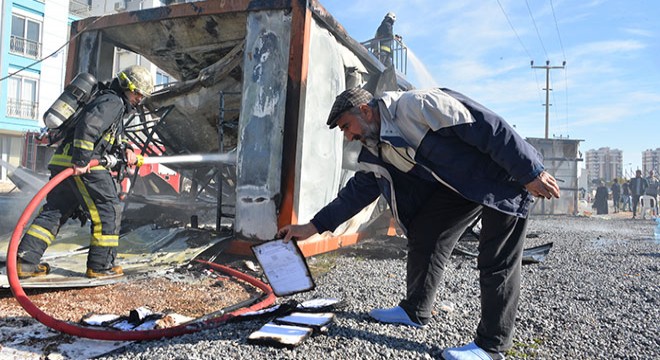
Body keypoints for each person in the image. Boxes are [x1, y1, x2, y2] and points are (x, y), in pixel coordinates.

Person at [278, 87, 560, 359]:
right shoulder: (377, 148)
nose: (349, 136)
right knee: (426, 233)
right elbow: (356, 193)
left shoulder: (418, 105)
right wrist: (311, 227)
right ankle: (415, 310)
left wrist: (529, 171)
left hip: (505, 175)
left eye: (347, 126)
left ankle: (491, 346)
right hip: (462, 186)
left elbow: (488, 126)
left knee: (496, 259)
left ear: (365, 111)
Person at [16, 65, 154, 279]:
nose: (139, 98)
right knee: (108, 209)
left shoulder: (109, 102)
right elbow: (88, 127)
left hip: (64, 161)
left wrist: (126, 148)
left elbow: (113, 133)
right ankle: (100, 267)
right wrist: (81, 161)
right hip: (84, 165)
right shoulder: (113, 102)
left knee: (55, 211)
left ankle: (25, 262)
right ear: (128, 86)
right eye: (138, 93)